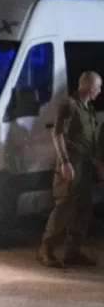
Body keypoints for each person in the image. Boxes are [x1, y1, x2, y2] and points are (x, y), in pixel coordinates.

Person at [37, 71, 102, 268]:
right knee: (64, 208)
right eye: (98, 87)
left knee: (83, 210)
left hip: (85, 166)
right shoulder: (70, 106)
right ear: (89, 86)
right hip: (72, 165)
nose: (100, 91)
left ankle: (73, 251)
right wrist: (65, 162)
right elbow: (57, 134)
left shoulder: (88, 109)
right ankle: (46, 250)